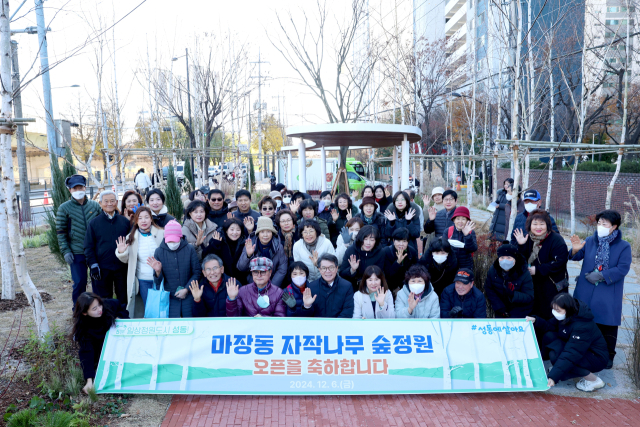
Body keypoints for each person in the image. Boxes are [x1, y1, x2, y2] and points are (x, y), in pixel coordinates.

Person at [570, 209, 631, 369]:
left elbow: (623, 268)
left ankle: (608, 355)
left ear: (614, 227)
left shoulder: (624, 246)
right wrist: (575, 249)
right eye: (599, 223)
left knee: (607, 322)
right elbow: (576, 255)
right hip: (586, 288)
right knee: (584, 320)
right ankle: (585, 350)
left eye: (605, 224)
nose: (601, 226)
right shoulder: (591, 240)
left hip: (608, 291)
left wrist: (601, 275)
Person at [527, 293, 608, 392]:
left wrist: (553, 376)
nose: (554, 313)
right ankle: (561, 368)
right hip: (580, 349)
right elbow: (550, 326)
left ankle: (594, 380)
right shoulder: (567, 315)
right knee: (550, 337)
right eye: (553, 309)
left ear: (568, 309)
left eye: (558, 310)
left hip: (595, 357)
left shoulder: (582, 326)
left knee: (556, 356)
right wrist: (536, 320)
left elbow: (571, 354)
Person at [513, 209, 569, 319]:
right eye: (535, 224)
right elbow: (520, 261)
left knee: (550, 317)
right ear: (529, 225)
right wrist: (521, 245)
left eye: (542, 224)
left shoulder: (557, 240)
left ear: (548, 225)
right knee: (534, 315)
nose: (538, 227)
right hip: (534, 286)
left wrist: (537, 270)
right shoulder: (528, 238)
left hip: (553, 287)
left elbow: (560, 262)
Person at [56, 174, 102, 306]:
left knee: (98, 282)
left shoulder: (94, 206)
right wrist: (65, 250)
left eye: (80, 187)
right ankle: (78, 311)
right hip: (77, 251)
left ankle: (98, 309)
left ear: (85, 187)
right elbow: (60, 231)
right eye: (74, 188)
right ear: (70, 190)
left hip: (95, 252)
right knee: (80, 282)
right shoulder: (64, 208)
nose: (78, 191)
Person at [72, 292, 129, 394]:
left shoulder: (108, 305)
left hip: (120, 343)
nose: (99, 309)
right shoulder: (83, 328)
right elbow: (86, 352)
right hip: (101, 351)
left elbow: (122, 309)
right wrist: (89, 380)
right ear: (85, 313)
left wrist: (120, 318)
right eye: (94, 309)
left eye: (99, 305)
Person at [115, 206, 164, 318]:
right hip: (143, 279)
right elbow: (127, 260)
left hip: (162, 277)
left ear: (151, 219)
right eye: (140, 218)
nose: (143, 221)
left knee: (163, 306)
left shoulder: (162, 233)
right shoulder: (131, 237)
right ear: (136, 221)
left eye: (146, 217)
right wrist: (121, 252)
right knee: (149, 308)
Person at [84, 190, 131, 305]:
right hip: (102, 267)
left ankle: (123, 319)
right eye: (106, 201)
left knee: (123, 296)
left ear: (117, 202)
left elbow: (131, 243)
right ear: (100, 203)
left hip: (121, 266)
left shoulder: (124, 221)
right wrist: (93, 265)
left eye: (112, 201)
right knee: (103, 299)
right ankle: (107, 321)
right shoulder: (94, 223)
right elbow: (88, 246)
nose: (109, 204)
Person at [146, 220, 200, 318]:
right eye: (169, 240)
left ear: (180, 237)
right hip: (169, 298)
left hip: (189, 297)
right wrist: (158, 271)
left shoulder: (189, 249)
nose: (172, 243)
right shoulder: (159, 251)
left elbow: (197, 272)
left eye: (175, 240)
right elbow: (158, 282)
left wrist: (186, 289)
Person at [484, 243, 534, 318]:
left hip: (520, 310)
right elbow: (489, 288)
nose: (505, 260)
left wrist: (513, 294)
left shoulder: (523, 272)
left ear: (515, 259)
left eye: (508, 257)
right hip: (501, 307)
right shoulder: (493, 270)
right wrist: (499, 307)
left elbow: (529, 296)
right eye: (502, 257)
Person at [237, 216, 288, 288]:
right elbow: (241, 267)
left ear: (272, 233)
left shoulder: (279, 247)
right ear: (258, 233)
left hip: (273, 282)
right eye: (262, 232)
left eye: (268, 231)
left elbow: (282, 269)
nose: (265, 235)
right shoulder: (250, 244)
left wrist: (272, 287)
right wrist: (248, 255)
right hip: (253, 283)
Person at [302, 254, 354, 318]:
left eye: (331, 268)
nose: (328, 271)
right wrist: (307, 306)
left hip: (339, 326)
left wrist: (334, 326)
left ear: (337, 268)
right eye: (324, 268)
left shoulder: (346, 286)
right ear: (319, 269)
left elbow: (347, 311)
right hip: (317, 326)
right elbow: (306, 317)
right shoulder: (312, 287)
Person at [339, 225, 386, 291]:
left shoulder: (380, 252)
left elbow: (380, 273)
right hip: (353, 286)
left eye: (372, 240)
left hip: (372, 287)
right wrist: (352, 270)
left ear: (376, 241)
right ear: (360, 239)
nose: (368, 243)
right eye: (365, 239)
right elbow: (342, 274)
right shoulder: (351, 250)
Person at [202, 217, 248, 285]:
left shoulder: (244, 242)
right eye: (232, 230)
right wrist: (215, 244)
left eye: (238, 230)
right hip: (222, 280)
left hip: (240, 280)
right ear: (226, 230)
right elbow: (205, 256)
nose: (235, 233)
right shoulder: (218, 238)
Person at [382, 228, 418, 293]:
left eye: (404, 241)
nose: (401, 244)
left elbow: (415, 270)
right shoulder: (386, 252)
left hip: (407, 286)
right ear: (393, 241)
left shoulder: (412, 252)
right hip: (390, 286)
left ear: (408, 242)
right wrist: (398, 262)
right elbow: (388, 274)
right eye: (398, 241)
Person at [445, 206, 478, 271]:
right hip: (450, 266)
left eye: (463, 219)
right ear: (454, 220)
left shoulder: (471, 232)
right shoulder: (448, 231)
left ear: (467, 221)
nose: (460, 221)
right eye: (458, 219)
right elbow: (443, 248)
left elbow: (473, 249)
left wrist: (467, 235)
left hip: (466, 267)